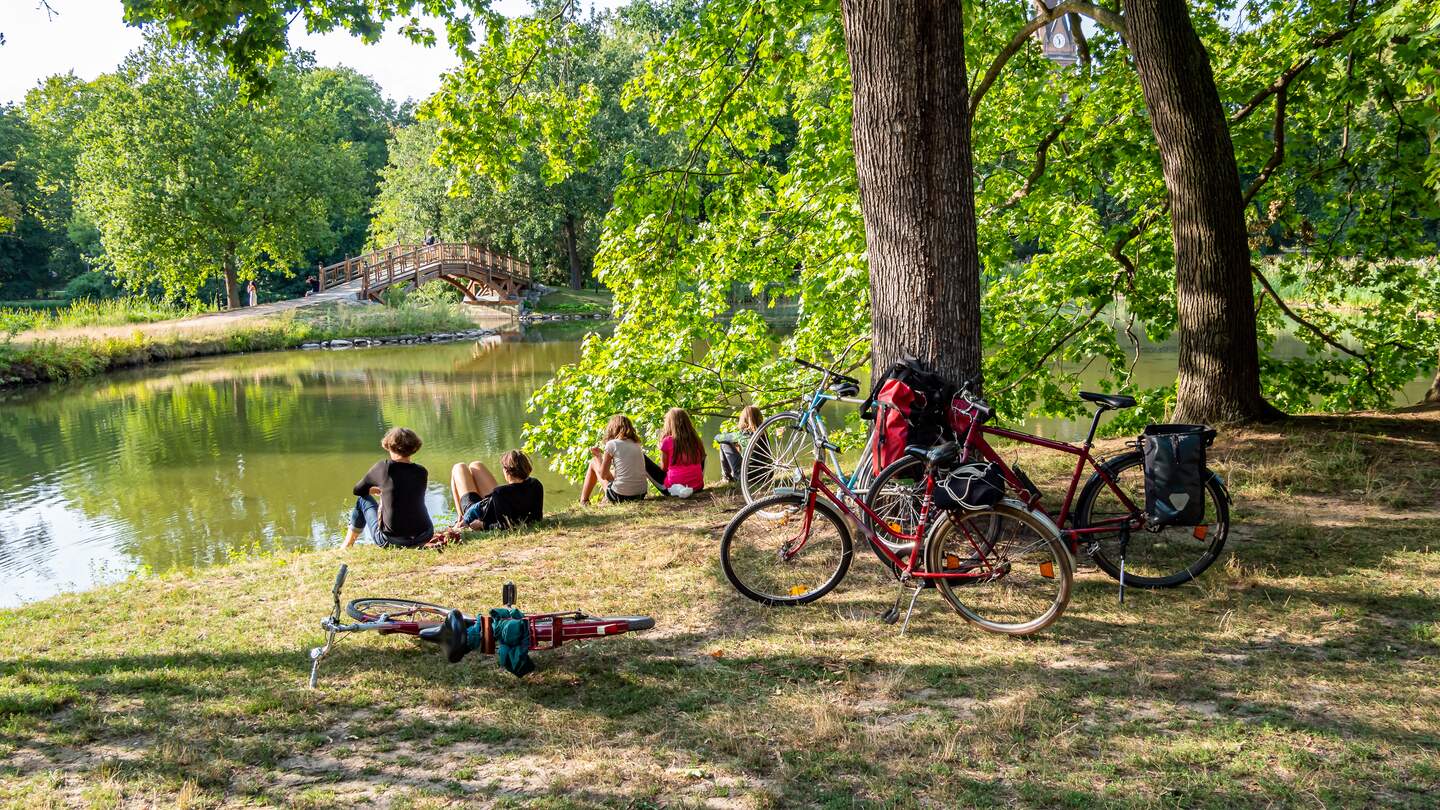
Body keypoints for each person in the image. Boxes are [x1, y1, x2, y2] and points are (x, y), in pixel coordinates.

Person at [345, 427, 434, 548]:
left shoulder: (384, 467)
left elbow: (358, 490)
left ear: (389, 446)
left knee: (362, 499)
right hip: (424, 535)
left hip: (392, 541)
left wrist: (371, 490)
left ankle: (347, 545)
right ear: (414, 448)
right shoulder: (421, 471)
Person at [451, 449, 544, 530]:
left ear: (506, 471)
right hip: (493, 504)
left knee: (458, 467)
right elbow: (538, 517)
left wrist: (483, 525)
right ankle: (460, 518)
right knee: (476, 465)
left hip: (479, 513)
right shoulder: (536, 484)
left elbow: (504, 526)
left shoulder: (500, 493)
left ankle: (460, 517)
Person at [580, 415, 649, 505]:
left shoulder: (612, 444)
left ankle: (584, 501)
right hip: (640, 494)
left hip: (620, 495)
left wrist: (598, 457)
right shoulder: (636, 444)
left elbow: (603, 475)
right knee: (614, 471)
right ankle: (586, 500)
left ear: (612, 429)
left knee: (593, 462)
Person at [646, 407, 706, 497]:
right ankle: (694, 480)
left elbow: (664, 469)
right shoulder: (696, 440)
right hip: (697, 487)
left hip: (673, 489)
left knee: (643, 460)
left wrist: (661, 448)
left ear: (669, 423)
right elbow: (702, 457)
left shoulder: (667, 441)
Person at [716, 405, 764, 483]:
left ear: (743, 419)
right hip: (766, 474)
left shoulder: (740, 435)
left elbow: (718, 438)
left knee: (724, 443)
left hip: (748, 477)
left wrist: (732, 441)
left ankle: (726, 477)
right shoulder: (763, 433)